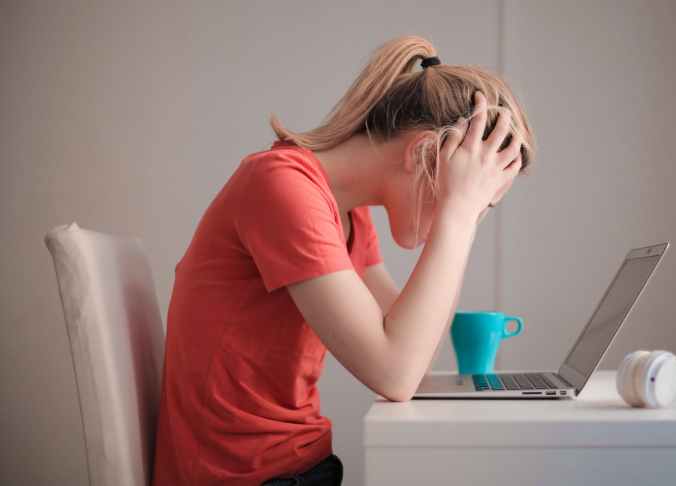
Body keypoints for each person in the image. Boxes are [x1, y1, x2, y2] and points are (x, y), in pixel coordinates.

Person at [152, 34, 536, 486]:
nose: (467, 210)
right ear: (422, 154)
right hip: (244, 478)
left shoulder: (346, 214)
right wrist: (459, 216)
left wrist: (461, 213)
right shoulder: (281, 188)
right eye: (469, 191)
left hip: (300, 468)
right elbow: (395, 374)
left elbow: (416, 352)